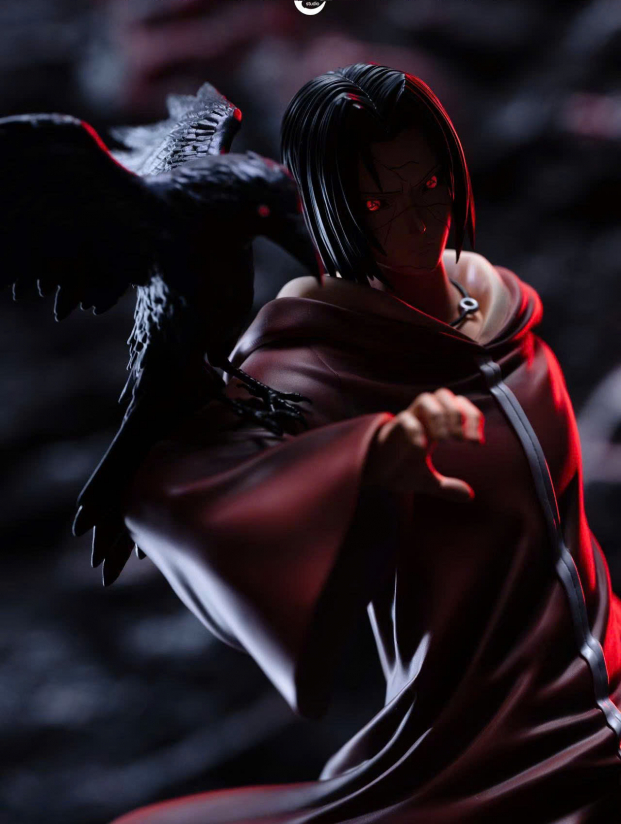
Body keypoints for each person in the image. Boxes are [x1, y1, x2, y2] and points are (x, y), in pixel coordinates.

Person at [114, 64, 621, 823]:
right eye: (380, 201)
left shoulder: (503, 317)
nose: (416, 218)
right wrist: (362, 460)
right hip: (485, 737)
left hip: (604, 684)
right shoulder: (314, 363)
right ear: (333, 206)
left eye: (429, 185)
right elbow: (177, 488)